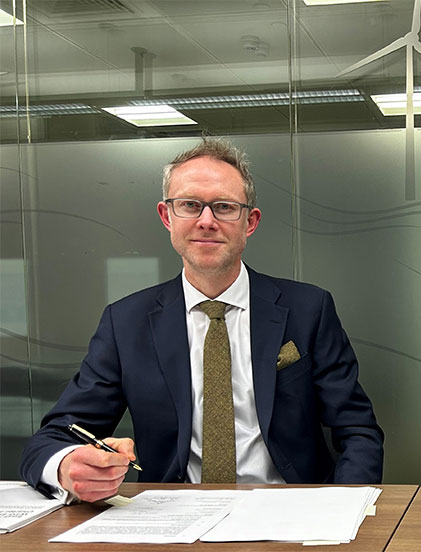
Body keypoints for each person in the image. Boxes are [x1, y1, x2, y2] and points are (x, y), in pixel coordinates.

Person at [21, 138, 384, 502]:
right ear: (167, 216)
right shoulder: (126, 323)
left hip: (290, 511)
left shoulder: (309, 309)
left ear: (250, 221)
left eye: (224, 207)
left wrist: (343, 508)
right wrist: (67, 466)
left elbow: (358, 431)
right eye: (190, 205)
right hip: (171, 515)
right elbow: (54, 438)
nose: (206, 221)